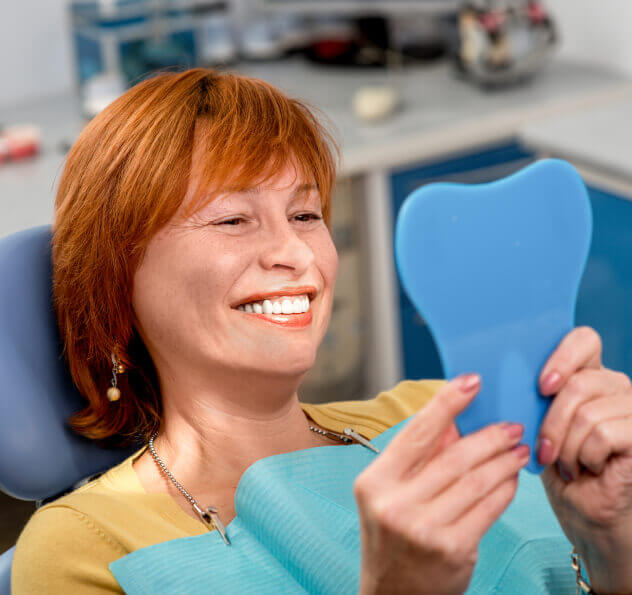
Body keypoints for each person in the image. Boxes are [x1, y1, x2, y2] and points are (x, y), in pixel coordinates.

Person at [11, 68, 632, 594]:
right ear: (117, 282)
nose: (295, 253)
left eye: (305, 213)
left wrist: (612, 550)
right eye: (232, 219)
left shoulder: (437, 417)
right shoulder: (84, 550)